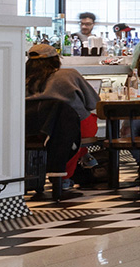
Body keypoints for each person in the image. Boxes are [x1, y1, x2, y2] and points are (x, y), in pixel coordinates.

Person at [25, 43, 100, 196]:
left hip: (33, 130)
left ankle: (80, 156)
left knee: (63, 134)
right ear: (55, 59)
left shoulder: (21, 79)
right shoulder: (69, 74)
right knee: (86, 122)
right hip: (71, 128)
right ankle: (79, 158)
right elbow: (93, 103)